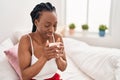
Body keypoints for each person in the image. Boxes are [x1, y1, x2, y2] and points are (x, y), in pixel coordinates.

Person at [18, 2, 67, 80]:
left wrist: (58, 57)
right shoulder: (26, 41)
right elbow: (25, 76)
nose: (52, 30)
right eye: (47, 25)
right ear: (36, 22)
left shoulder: (58, 38)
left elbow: (63, 68)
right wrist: (44, 57)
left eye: (55, 25)